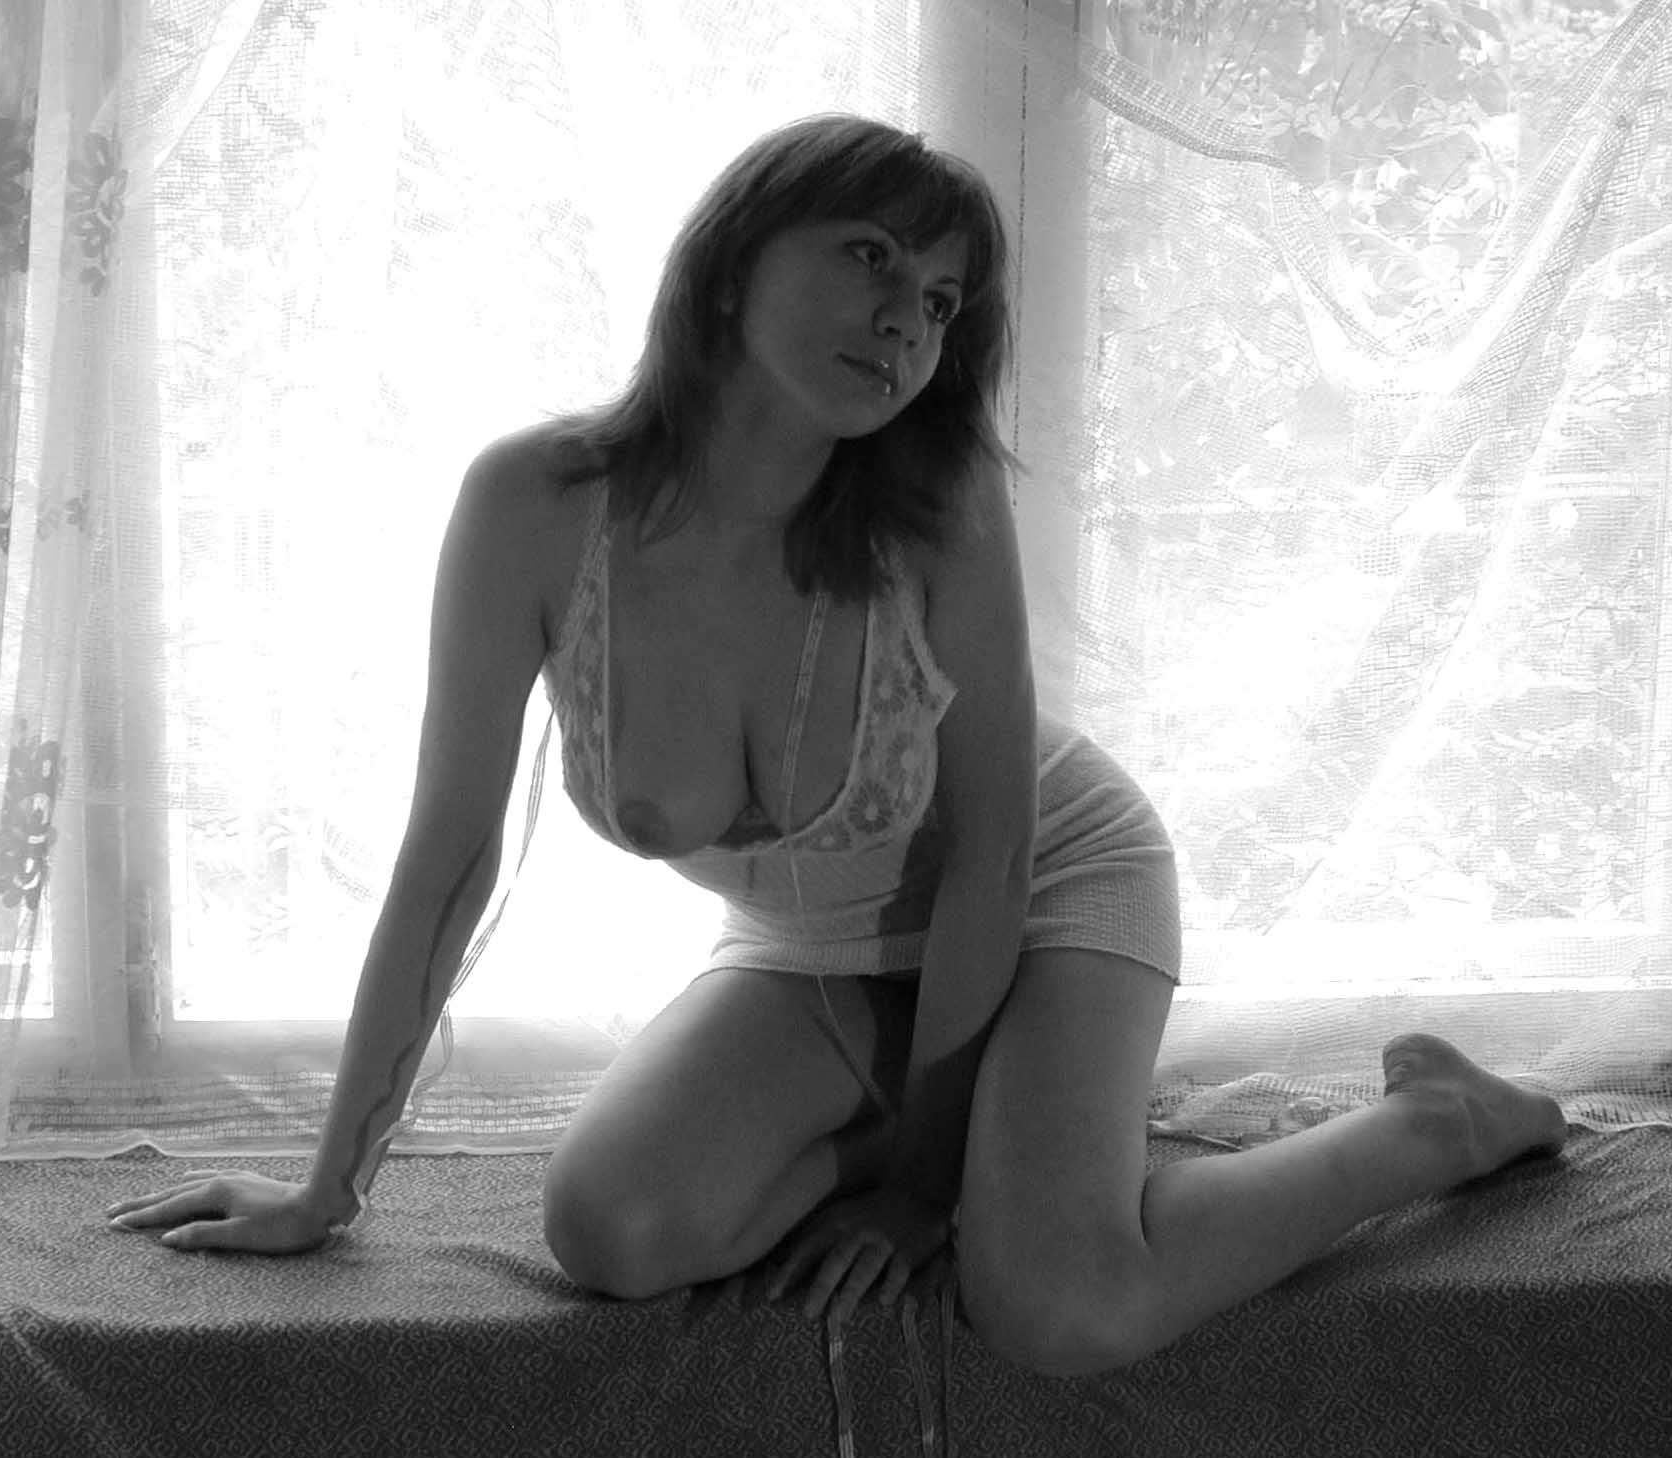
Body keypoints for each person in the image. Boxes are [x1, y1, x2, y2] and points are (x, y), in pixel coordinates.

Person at [102, 114, 1568, 1379]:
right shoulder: (534, 505)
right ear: (731, 259)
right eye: (869, 255)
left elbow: (991, 853)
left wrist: (924, 1190)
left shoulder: (936, 507)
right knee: (612, 1229)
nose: (905, 321)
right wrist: (329, 1184)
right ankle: (991, 1130)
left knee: (1056, 1307)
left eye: (939, 299)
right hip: (810, 950)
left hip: (1047, 892)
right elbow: (446, 862)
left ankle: (1435, 1120)